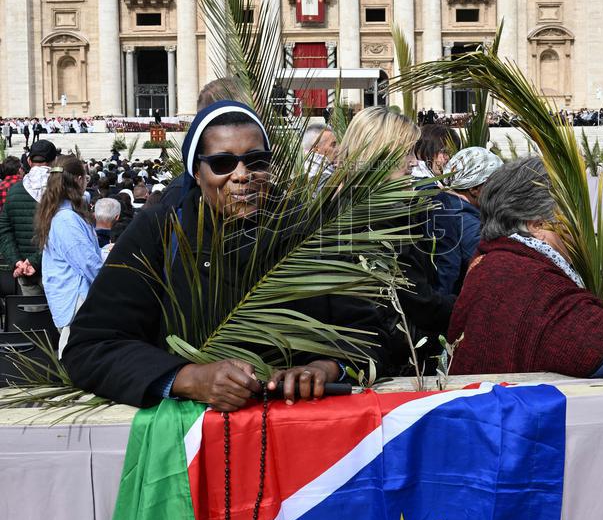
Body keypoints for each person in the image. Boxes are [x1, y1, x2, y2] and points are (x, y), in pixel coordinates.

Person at [63, 101, 390, 409]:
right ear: (197, 172)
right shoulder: (160, 231)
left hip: (299, 434)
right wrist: (187, 378)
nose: (242, 174)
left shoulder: (307, 228)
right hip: (191, 442)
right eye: (222, 163)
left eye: (256, 161)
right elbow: (90, 347)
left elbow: (372, 333)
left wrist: (327, 367)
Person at [447, 158, 603, 378]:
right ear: (536, 225)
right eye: (572, 214)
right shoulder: (528, 277)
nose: (580, 227)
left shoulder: (495, 257)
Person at [337, 107, 455, 375]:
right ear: (378, 154)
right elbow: (420, 302)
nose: (415, 163)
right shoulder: (382, 217)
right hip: (393, 364)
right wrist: (468, 304)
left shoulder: (341, 205)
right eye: (407, 153)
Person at [34, 157, 103, 354]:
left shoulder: (63, 213)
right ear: (80, 179)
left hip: (73, 296)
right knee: (78, 357)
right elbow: (88, 263)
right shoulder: (65, 219)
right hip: (75, 299)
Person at [429, 147, 503, 295]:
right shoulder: (465, 220)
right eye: (496, 185)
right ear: (475, 189)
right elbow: (490, 266)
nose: (502, 190)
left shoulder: (450, 205)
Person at [0, 140, 57, 294]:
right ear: (54, 161)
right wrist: (32, 261)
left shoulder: (13, 191)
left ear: (30, 161)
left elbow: (4, 231)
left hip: (25, 270)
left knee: (32, 316)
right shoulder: (61, 191)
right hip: (54, 268)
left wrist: (17, 262)